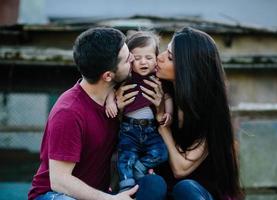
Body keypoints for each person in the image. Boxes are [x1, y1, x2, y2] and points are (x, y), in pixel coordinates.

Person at [28, 27, 166, 200]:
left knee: (154, 185)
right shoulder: (69, 112)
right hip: (54, 195)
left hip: (97, 194)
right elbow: (59, 181)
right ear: (108, 75)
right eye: (127, 59)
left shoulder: (118, 101)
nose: (133, 58)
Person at [137, 27, 244, 200]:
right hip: (165, 194)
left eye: (170, 57)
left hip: (197, 194)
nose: (160, 57)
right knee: (151, 183)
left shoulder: (211, 112)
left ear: (188, 70)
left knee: (185, 188)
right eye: (166, 51)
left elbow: (180, 169)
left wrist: (164, 129)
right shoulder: (161, 94)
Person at [105, 31, 172, 192]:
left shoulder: (158, 78)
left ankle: (140, 167)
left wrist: (167, 112)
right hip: (129, 129)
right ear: (129, 59)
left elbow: (168, 96)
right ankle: (126, 186)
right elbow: (110, 88)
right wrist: (110, 102)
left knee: (161, 153)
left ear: (156, 58)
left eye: (149, 58)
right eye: (137, 58)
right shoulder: (126, 76)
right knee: (125, 158)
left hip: (151, 129)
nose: (143, 62)